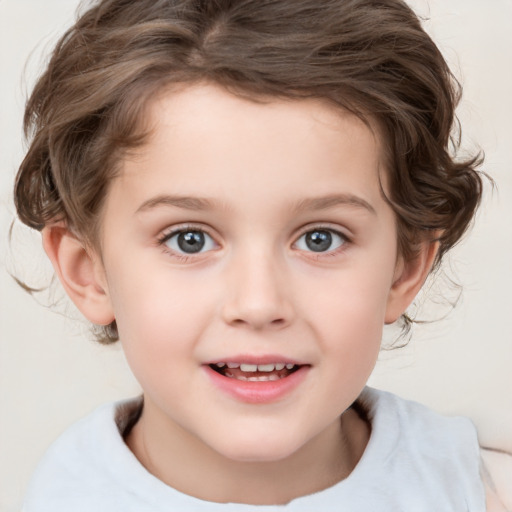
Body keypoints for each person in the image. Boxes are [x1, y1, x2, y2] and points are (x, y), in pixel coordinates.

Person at [13, 0, 510, 510]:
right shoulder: (63, 498)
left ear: (405, 268)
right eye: (190, 239)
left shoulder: (477, 491)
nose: (258, 303)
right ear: (88, 272)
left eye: (321, 238)